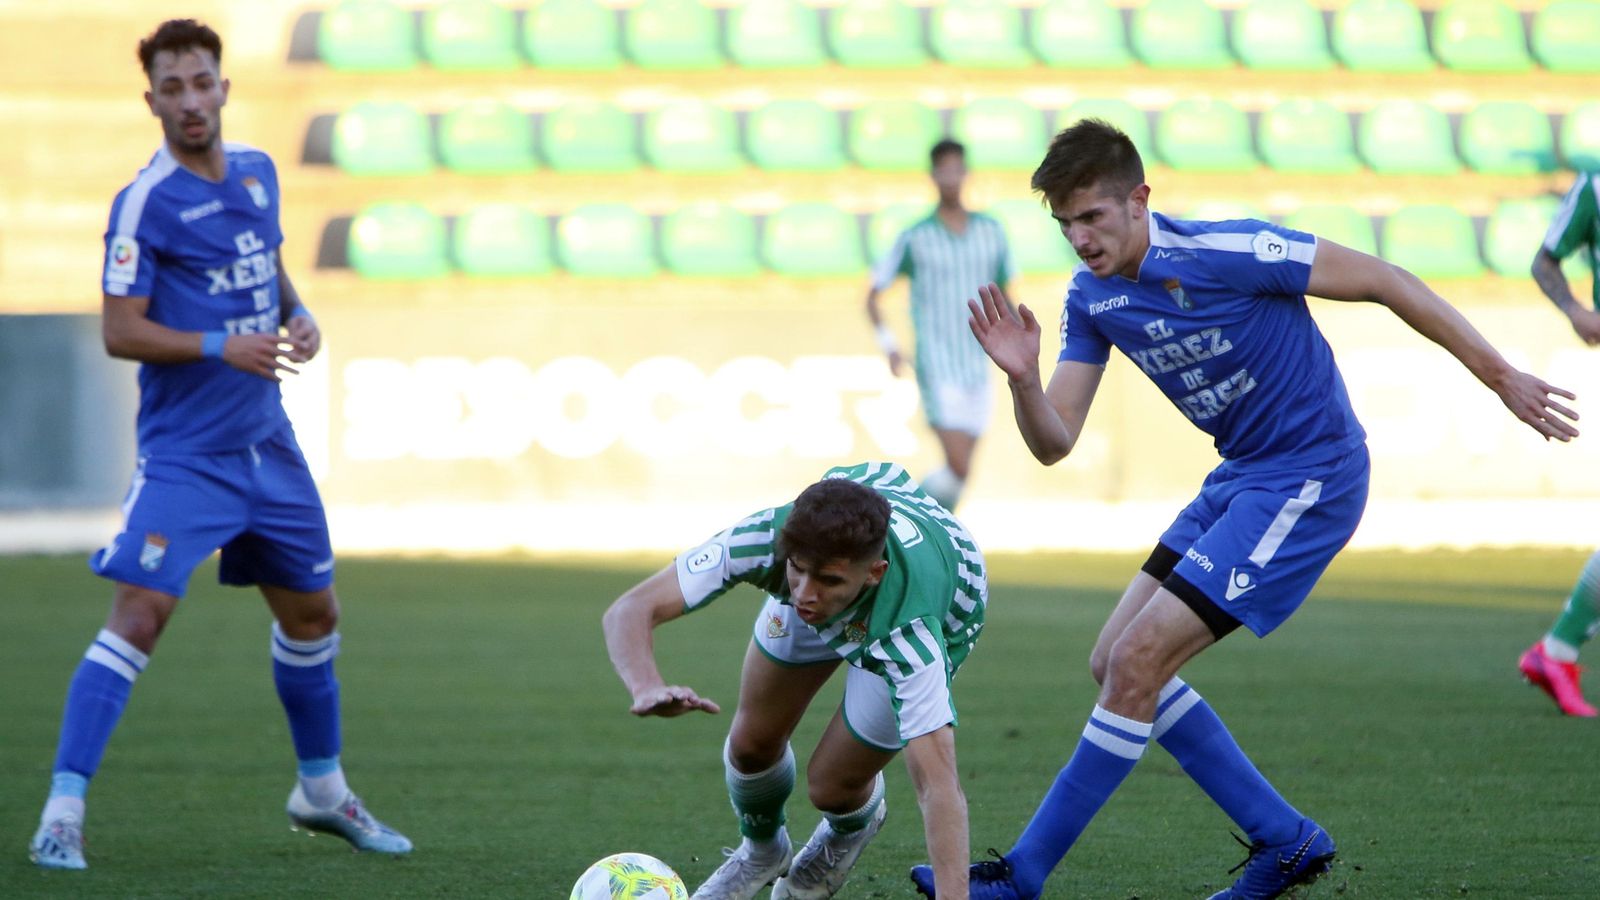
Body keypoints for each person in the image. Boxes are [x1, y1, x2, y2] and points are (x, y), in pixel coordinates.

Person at [910, 119, 1579, 900]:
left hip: (1313, 474)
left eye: (1092, 216)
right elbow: (1054, 442)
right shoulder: (1091, 299)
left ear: (1139, 200)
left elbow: (1385, 278)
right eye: (1065, 224)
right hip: (1241, 477)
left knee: (1136, 662)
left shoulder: (1231, 251)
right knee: (1113, 659)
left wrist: (1500, 376)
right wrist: (1024, 381)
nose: (1080, 239)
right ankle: (1285, 838)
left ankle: (1022, 876)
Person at [27, 19, 410, 870]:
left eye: (202, 82)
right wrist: (217, 346)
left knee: (314, 615)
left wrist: (296, 314)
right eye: (173, 88)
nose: (191, 100)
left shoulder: (259, 172)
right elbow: (120, 330)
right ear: (153, 102)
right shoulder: (144, 203)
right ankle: (62, 811)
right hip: (187, 455)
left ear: (224, 88)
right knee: (139, 616)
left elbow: (264, 264)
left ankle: (320, 790)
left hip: (266, 443)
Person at [602, 463, 987, 899]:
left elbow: (938, 787)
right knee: (750, 745)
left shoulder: (911, 636)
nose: (805, 593)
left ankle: (849, 830)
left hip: (943, 602)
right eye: (797, 569)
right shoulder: (768, 539)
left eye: (828, 580)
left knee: (832, 787)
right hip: (874, 555)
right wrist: (646, 685)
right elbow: (629, 610)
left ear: (873, 572)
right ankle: (761, 852)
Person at [865, 140, 1018, 511]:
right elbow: (872, 295)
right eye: (943, 170)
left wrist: (1019, 338)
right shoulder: (915, 236)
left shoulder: (992, 232)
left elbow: (1005, 294)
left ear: (966, 173)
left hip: (980, 363)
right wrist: (890, 347)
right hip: (937, 364)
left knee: (959, 474)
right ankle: (897, 515)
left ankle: (926, 526)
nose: (951, 177)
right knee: (958, 464)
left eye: (956, 169)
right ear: (933, 175)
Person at [1517, 170, 1600, 717]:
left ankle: (1556, 652)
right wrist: (1574, 310)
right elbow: (1544, 261)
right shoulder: (1595, 187)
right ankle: (1556, 651)